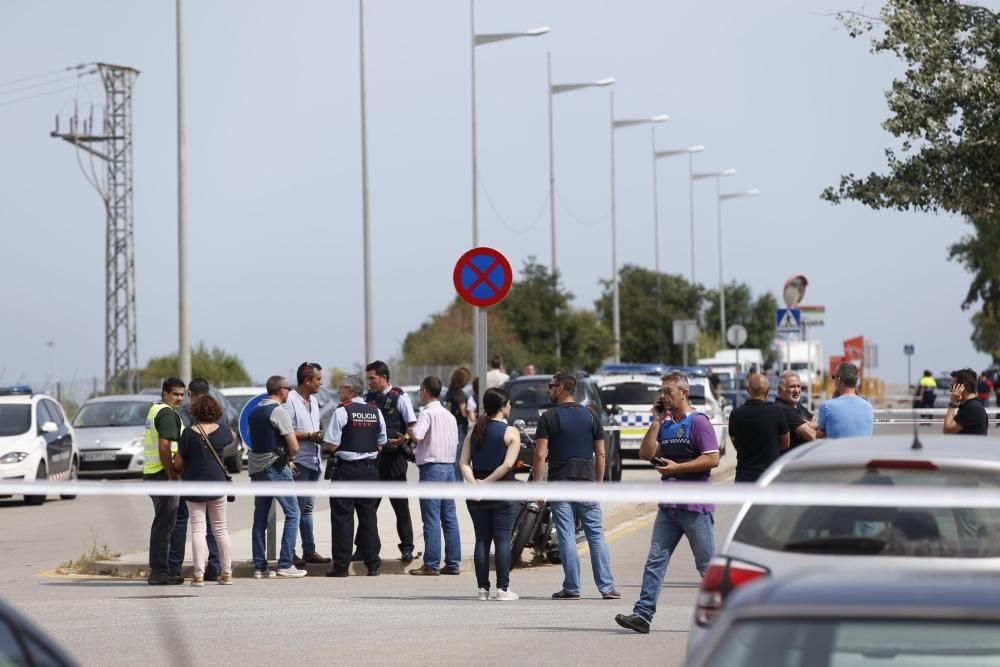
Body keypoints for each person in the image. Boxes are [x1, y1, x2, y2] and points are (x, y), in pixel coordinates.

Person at [615, 370, 720, 634]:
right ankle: (643, 615)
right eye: (661, 392)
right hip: (669, 507)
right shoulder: (667, 423)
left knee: (706, 565)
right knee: (655, 561)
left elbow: (712, 459)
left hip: (695, 506)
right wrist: (656, 421)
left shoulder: (699, 422)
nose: (663, 396)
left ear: (683, 393)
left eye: (668, 391)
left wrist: (677, 469)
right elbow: (645, 453)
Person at [533, 372, 619, 600]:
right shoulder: (591, 415)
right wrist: (599, 483)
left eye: (551, 386)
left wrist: (535, 487)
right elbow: (601, 453)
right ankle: (607, 587)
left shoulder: (549, 416)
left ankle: (572, 588)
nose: (549, 390)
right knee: (596, 535)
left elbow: (540, 454)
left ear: (560, 388)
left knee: (567, 535)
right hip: (586, 482)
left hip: (560, 483)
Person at [459, 387, 521, 600]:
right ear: (503, 407)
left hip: (476, 494)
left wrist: (476, 484)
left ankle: (482, 590)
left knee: (482, 540)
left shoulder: (474, 431)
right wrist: (487, 482)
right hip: (503, 491)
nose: (510, 407)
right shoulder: (511, 432)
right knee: (503, 540)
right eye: (509, 403)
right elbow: (507, 465)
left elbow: (463, 463)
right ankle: (503, 589)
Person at [323, 375, 386, 577]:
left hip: (346, 470)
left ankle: (341, 567)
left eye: (341, 388)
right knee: (369, 517)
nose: (339, 391)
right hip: (369, 470)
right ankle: (373, 565)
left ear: (350, 390)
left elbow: (331, 445)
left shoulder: (342, 411)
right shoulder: (375, 411)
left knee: (343, 518)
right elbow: (381, 441)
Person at [248, 375, 306, 579]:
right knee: (293, 513)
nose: (289, 393)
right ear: (282, 390)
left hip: (257, 469)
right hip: (275, 468)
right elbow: (294, 445)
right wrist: (290, 459)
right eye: (289, 389)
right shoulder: (278, 411)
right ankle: (285, 563)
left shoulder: (254, 412)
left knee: (260, 518)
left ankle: (260, 567)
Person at [173, 394, 234, 586]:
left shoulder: (188, 434)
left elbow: (178, 463)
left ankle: (198, 575)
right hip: (217, 485)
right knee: (220, 529)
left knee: (198, 530)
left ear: (195, 412)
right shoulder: (223, 431)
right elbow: (231, 437)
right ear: (215, 411)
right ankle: (227, 573)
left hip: (194, 486)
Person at [408, 376, 462, 576]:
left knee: (431, 518)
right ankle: (453, 563)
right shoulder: (449, 415)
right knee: (449, 517)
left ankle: (431, 563)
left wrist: (409, 431)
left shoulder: (427, 413)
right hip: (449, 468)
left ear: (425, 390)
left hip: (432, 469)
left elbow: (418, 436)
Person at [364, 360, 417, 562]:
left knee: (400, 506)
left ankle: (407, 548)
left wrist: (405, 437)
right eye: (368, 378)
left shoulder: (399, 397)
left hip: (395, 460)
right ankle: (365, 548)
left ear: (384, 378)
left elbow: (412, 424)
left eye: (372, 378)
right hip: (374, 460)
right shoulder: (367, 398)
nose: (369, 382)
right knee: (368, 507)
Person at [285, 362, 331, 568]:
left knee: (307, 509)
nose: (321, 383)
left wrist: (319, 435)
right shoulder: (290, 402)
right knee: (296, 509)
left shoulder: (313, 400)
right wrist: (310, 436)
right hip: (300, 462)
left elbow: (314, 428)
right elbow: (285, 432)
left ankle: (309, 550)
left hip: (314, 462)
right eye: (318, 379)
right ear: (307, 380)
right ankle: (290, 553)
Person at [143, 378, 186, 585]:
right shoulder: (167, 414)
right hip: (163, 475)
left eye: (182, 394)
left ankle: (161, 569)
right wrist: (171, 475)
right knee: (164, 525)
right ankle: (159, 571)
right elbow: (163, 446)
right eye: (175, 394)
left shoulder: (155, 410)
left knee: (162, 524)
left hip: (153, 474)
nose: (179, 398)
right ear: (165, 393)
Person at [727, 373, 789, 482]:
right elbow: (785, 444)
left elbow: (735, 442)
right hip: (769, 478)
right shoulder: (777, 412)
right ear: (768, 390)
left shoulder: (735, 414)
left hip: (744, 478)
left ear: (747, 390)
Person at [817, 362, 873, 439]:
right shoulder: (868, 407)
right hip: (864, 450)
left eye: (834, 377)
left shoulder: (826, 406)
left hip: (837, 451)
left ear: (839, 379)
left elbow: (819, 436)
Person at [775, 371, 817, 449]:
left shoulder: (796, 404)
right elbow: (814, 436)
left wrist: (815, 425)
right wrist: (814, 426)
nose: (797, 390)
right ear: (780, 390)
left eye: (798, 386)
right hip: (793, 459)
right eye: (792, 386)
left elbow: (813, 418)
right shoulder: (783, 409)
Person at [444, 367, 471, 480]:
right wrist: (473, 411)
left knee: (452, 456)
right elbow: (464, 413)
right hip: (459, 427)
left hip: (449, 426)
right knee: (459, 457)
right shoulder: (460, 394)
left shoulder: (449, 392)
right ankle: (457, 482)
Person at [944, 367, 989, 435]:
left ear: (961, 388)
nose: (950, 390)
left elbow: (947, 430)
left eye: (952, 386)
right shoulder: (969, 406)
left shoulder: (973, 408)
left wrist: (953, 403)